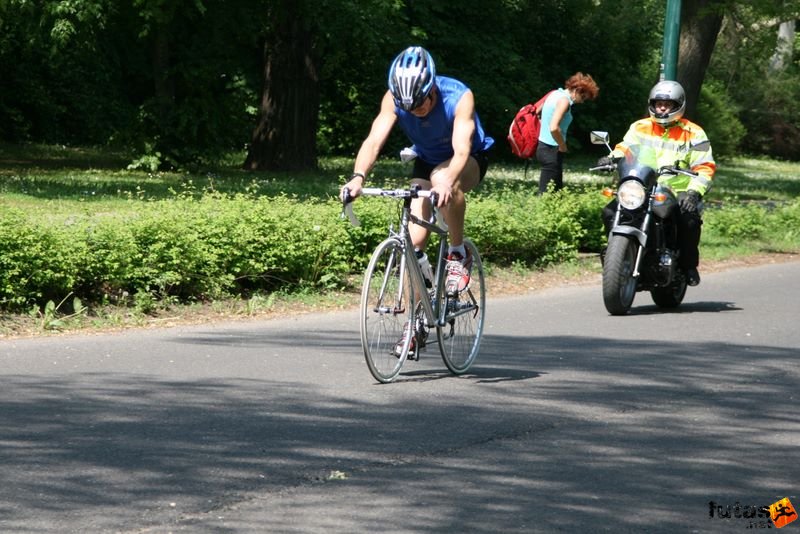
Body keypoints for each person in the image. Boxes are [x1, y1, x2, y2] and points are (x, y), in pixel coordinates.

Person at [341, 46, 494, 298]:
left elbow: (461, 151)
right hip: (426, 159)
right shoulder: (392, 99)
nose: (416, 110)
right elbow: (373, 141)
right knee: (413, 244)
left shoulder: (458, 96)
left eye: (421, 103)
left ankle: (458, 252)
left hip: (468, 158)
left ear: (432, 86)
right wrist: (358, 177)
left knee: (441, 177)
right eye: (408, 107)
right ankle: (415, 323)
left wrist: (446, 182)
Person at [599, 80, 716, 286]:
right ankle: (616, 258)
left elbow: (705, 167)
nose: (662, 107)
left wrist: (693, 193)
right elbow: (625, 148)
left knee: (688, 219)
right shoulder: (640, 126)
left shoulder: (695, 133)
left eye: (667, 104)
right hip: (643, 185)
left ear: (678, 105)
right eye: (658, 103)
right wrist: (611, 158)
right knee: (609, 211)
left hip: (677, 189)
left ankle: (688, 265)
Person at [536, 72, 599, 194]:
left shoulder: (554, 93)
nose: (582, 102)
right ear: (578, 90)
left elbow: (538, 112)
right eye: (584, 97)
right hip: (551, 151)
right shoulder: (564, 101)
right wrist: (562, 146)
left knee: (556, 193)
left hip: (543, 147)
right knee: (545, 194)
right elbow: (554, 127)